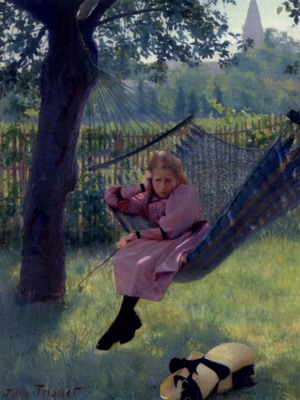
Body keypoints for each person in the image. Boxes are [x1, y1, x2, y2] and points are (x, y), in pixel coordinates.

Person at [96, 150, 211, 351]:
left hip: (182, 239)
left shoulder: (184, 193)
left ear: (177, 179)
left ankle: (119, 324)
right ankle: (128, 319)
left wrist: (137, 235)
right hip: (159, 241)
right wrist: (143, 187)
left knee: (142, 264)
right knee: (124, 258)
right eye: (157, 180)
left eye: (168, 181)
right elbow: (113, 199)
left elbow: (170, 230)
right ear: (151, 178)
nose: (163, 186)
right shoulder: (149, 196)